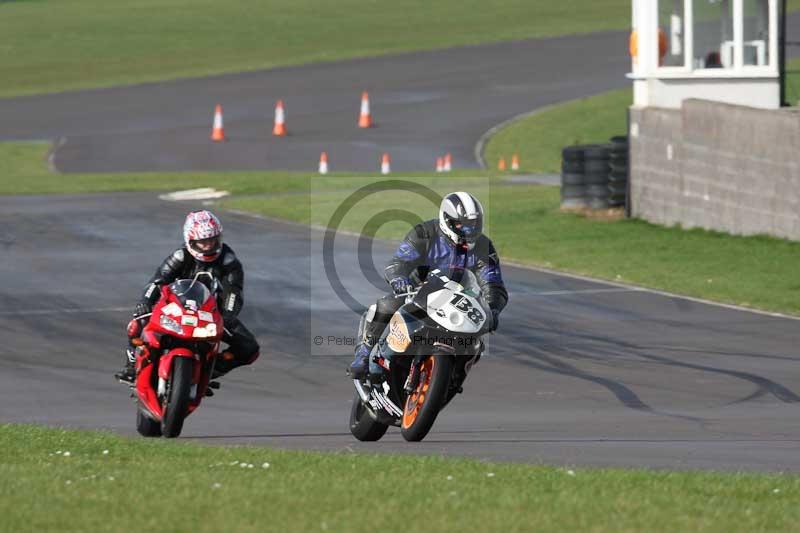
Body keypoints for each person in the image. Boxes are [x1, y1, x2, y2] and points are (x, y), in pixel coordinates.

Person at [348, 192, 508, 378]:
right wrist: (400, 280)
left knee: (476, 343)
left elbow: (493, 283)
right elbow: (398, 263)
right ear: (446, 220)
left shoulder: (483, 247)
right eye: (461, 225)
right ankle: (364, 354)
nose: (468, 231)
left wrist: (493, 308)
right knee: (386, 305)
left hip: (459, 301)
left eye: (473, 225)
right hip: (419, 292)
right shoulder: (424, 233)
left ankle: (453, 378)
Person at [115, 210, 260, 384]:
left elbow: (234, 292)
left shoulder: (229, 262)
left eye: (212, 240)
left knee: (249, 348)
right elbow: (157, 281)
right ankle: (132, 366)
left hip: (211, 314)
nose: (208, 245)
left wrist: (228, 315)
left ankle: (212, 369)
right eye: (202, 242)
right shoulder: (180, 256)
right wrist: (145, 302)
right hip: (174, 308)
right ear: (190, 241)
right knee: (137, 322)